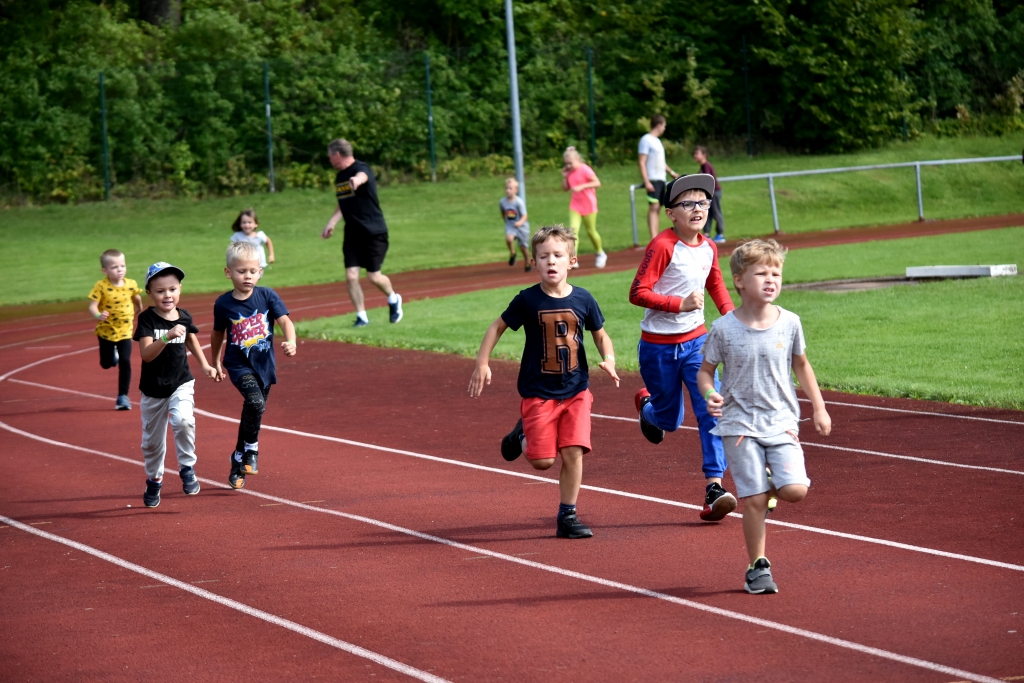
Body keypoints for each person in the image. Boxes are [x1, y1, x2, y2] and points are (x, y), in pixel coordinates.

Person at [697, 239, 832, 594]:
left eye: (777, 273)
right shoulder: (724, 328)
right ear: (740, 281)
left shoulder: (790, 322)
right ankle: (757, 566)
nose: (771, 279)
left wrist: (818, 406)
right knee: (754, 500)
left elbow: (801, 364)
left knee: (796, 490)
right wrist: (710, 394)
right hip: (738, 423)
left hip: (781, 421)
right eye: (762, 273)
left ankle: (768, 483)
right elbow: (705, 372)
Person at [469, 225, 620, 539]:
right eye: (543, 256)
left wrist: (609, 357)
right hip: (539, 392)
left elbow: (600, 334)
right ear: (535, 263)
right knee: (542, 462)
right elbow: (497, 327)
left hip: (577, 390)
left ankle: (568, 514)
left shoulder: (584, 298)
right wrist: (482, 362)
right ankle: (523, 430)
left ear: (572, 261)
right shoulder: (527, 300)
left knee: (574, 451)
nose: (551, 261)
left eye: (557, 255)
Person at [629, 174, 738, 522]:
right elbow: (637, 293)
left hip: (697, 344)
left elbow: (716, 284)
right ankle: (648, 407)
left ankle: (713, 488)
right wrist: (678, 304)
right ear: (671, 213)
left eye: (703, 202)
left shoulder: (709, 247)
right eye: (688, 203)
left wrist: (735, 321)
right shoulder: (662, 246)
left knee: (712, 409)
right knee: (669, 420)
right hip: (658, 348)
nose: (697, 209)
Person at [211, 242, 297, 490]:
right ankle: (251, 450)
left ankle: (238, 459)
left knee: (253, 411)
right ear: (228, 272)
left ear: (260, 271)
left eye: (252, 271)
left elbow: (285, 321)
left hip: (264, 366)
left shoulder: (267, 295)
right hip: (238, 365)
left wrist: (291, 341)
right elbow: (217, 335)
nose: (247, 276)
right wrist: (215, 361)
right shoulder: (223, 303)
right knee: (255, 403)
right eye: (241, 271)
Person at [134, 262, 218, 508]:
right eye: (160, 291)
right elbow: (147, 354)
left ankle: (187, 468)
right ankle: (154, 479)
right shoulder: (147, 319)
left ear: (180, 289)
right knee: (152, 443)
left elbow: (190, 337)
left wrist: (205, 365)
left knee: (183, 421)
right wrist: (166, 336)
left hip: (181, 382)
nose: (167, 295)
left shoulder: (184, 315)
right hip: (153, 390)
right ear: (150, 293)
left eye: (172, 289)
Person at [321, 138, 403, 326]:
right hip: (352, 233)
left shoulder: (362, 168)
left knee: (374, 276)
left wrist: (356, 181)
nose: (329, 161)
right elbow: (343, 202)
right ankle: (362, 316)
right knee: (351, 275)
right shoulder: (339, 177)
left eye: (330, 157)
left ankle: (393, 298)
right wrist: (331, 222)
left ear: (337, 155)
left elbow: (362, 176)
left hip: (373, 231)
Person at [88, 249, 143, 410]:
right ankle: (112, 357)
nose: (120, 270)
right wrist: (98, 314)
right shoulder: (101, 286)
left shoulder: (131, 284)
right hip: (106, 330)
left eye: (122, 266)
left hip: (125, 330)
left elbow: (137, 298)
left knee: (126, 361)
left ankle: (122, 397)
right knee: (106, 364)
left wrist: (139, 309)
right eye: (114, 267)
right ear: (104, 271)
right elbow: (92, 305)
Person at [561, 146, 607, 269]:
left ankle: (600, 253)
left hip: (588, 204)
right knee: (572, 231)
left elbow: (597, 183)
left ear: (577, 159)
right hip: (575, 205)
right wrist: (564, 176)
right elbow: (565, 188)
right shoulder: (569, 172)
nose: (568, 166)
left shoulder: (585, 169)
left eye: (570, 163)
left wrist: (582, 186)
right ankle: (573, 257)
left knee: (591, 231)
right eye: (566, 164)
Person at [638, 115, 679, 240]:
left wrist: (671, 172)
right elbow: (641, 161)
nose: (664, 129)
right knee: (654, 207)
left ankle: (656, 236)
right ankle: (653, 237)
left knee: (659, 208)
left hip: (661, 179)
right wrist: (646, 181)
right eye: (664, 126)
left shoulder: (658, 141)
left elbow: (661, 162)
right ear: (659, 125)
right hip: (653, 179)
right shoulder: (646, 140)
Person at [693, 146, 726, 243]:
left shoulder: (706, 166)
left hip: (714, 192)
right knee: (708, 213)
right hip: (709, 193)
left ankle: (720, 234)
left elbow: (707, 180)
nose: (695, 156)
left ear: (704, 155)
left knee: (716, 212)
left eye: (697, 153)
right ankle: (706, 234)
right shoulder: (703, 167)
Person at [499, 177, 532, 272]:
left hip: (522, 227)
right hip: (511, 225)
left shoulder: (519, 202)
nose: (508, 190)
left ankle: (527, 262)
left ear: (516, 190)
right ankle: (513, 252)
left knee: (523, 247)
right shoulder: (502, 202)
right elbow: (503, 212)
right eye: (506, 188)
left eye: (510, 188)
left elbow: (525, 215)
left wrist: (520, 223)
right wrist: (506, 221)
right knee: (509, 239)